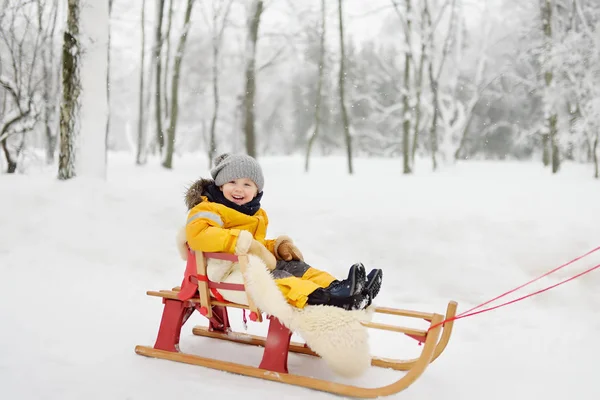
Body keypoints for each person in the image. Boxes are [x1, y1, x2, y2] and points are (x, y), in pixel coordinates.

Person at [183, 153, 382, 311]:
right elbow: (197, 235)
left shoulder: (255, 214)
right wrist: (239, 241)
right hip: (224, 273)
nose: (239, 189)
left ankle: (341, 288)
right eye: (232, 182)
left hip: (248, 262)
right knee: (277, 278)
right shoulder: (207, 209)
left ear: (257, 191)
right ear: (220, 185)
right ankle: (327, 297)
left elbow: (255, 243)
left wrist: (277, 247)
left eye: (247, 184)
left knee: (296, 266)